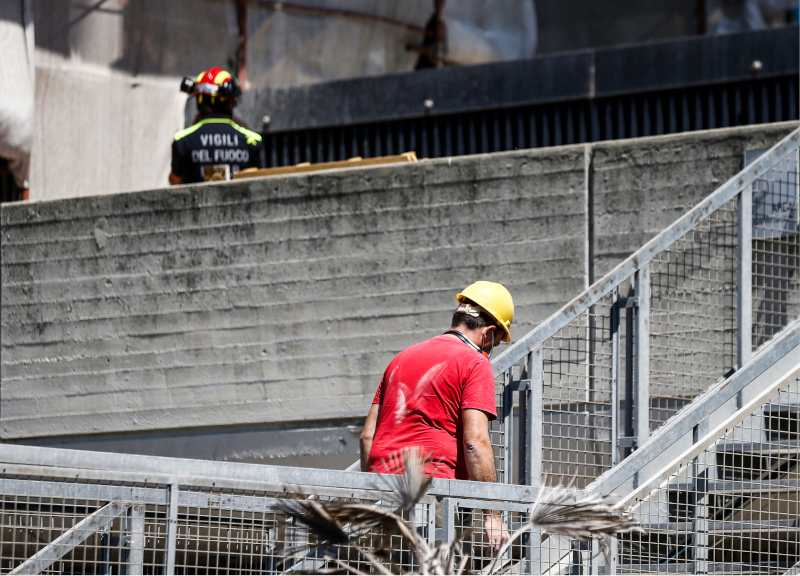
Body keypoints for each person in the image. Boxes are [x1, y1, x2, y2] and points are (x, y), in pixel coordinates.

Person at [360, 281, 514, 552]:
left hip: (381, 493)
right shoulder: (474, 362)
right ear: (489, 333)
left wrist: (371, 488)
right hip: (432, 495)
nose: (491, 351)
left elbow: (367, 436)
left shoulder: (401, 358)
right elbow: (475, 442)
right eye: (495, 344)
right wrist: (493, 515)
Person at [169, 67, 264, 185]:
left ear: (200, 100)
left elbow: (175, 183)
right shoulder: (252, 141)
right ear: (230, 102)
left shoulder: (182, 141)